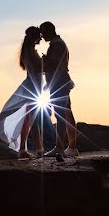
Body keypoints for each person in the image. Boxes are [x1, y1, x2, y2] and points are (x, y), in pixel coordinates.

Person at [0, 26, 45, 159]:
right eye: (39, 36)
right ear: (34, 37)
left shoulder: (29, 51)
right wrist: (44, 61)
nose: (41, 38)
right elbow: (37, 68)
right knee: (31, 120)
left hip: (34, 86)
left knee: (30, 120)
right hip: (33, 87)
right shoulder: (29, 51)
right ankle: (31, 149)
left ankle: (31, 148)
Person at [40, 21, 79, 158]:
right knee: (67, 114)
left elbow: (54, 66)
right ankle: (72, 148)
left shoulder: (56, 45)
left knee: (60, 115)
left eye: (43, 32)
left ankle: (59, 148)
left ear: (49, 31)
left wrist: (43, 62)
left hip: (59, 84)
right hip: (61, 82)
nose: (42, 35)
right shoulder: (59, 43)